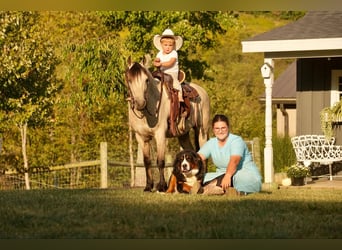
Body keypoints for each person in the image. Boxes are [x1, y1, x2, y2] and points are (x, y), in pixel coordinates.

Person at [197, 114, 262, 195]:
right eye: (217, 128)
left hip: (242, 174)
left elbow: (234, 161)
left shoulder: (236, 141)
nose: (220, 131)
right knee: (201, 178)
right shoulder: (211, 143)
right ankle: (213, 189)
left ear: (228, 127)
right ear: (213, 130)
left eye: (223, 128)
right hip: (221, 175)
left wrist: (227, 176)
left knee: (230, 179)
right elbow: (197, 158)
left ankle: (209, 189)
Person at [153, 28, 184, 104]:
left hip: (171, 72)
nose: (168, 47)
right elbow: (157, 59)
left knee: (175, 82)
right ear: (161, 45)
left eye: (170, 45)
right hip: (161, 72)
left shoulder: (174, 53)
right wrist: (156, 62)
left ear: (173, 46)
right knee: (153, 79)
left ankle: (180, 94)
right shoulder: (160, 53)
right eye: (165, 45)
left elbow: (171, 62)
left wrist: (161, 64)